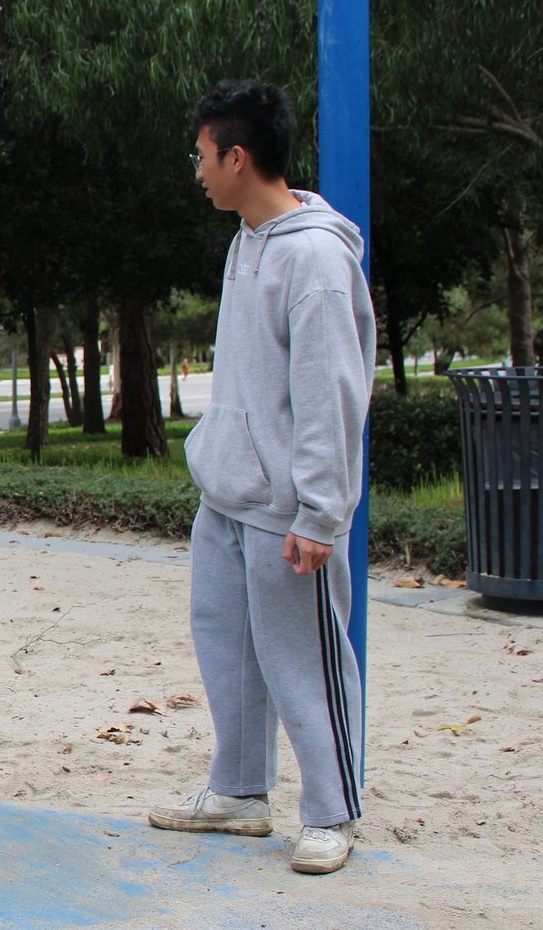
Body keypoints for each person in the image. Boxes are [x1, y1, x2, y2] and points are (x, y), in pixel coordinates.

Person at [149, 79, 376, 875]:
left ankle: (331, 810)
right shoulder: (247, 239)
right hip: (228, 494)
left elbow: (330, 393)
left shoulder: (313, 257)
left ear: (237, 157)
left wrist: (320, 512)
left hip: (285, 508)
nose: (199, 170)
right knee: (229, 648)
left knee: (303, 659)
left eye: (203, 155)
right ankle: (240, 791)